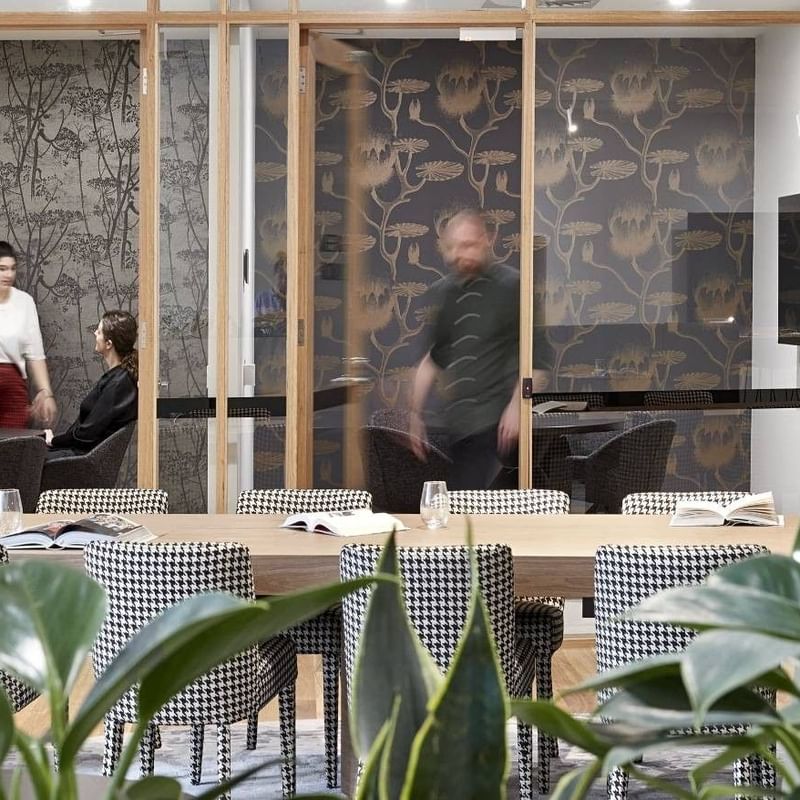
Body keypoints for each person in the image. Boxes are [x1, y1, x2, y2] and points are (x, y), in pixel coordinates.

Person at [409, 209, 524, 490]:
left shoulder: (513, 286)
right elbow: (434, 358)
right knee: (462, 510)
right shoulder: (446, 292)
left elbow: (536, 357)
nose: (460, 254)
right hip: (460, 426)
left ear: (486, 240)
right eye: (454, 247)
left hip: (501, 424)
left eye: (468, 245)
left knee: (489, 512)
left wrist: (517, 406)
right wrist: (414, 414)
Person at [46, 310, 138, 459]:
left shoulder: (118, 384)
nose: (95, 333)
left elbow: (86, 435)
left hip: (80, 460)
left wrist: (53, 441)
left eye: (99, 331)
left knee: (20, 459)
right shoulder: (119, 378)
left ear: (109, 344)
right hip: (79, 455)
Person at [0, 241, 57, 428]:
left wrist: (45, 392)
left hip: (13, 390)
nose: (8, 274)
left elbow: (35, 354)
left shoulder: (24, 302)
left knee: (12, 450)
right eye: (2, 269)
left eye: (12, 268)